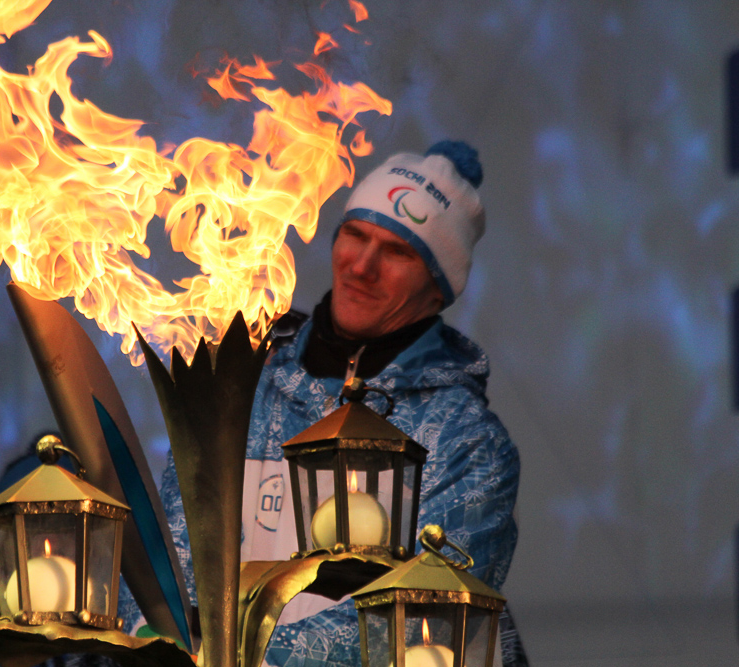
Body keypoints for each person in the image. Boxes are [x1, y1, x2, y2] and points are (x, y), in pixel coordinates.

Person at [122, 141, 526, 667]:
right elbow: (167, 552)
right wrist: (153, 635)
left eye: (398, 252)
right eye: (355, 235)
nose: (362, 265)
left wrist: (230, 655)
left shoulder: (466, 443)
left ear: (438, 288)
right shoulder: (244, 385)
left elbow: (418, 621)